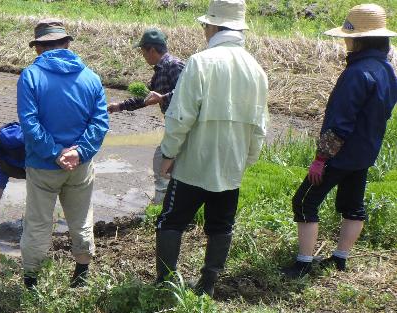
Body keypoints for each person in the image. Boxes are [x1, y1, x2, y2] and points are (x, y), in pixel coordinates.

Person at [154, 0, 268, 297]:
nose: (204, 30)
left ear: (215, 26)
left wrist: (168, 154)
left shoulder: (200, 62)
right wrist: (247, 159)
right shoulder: (256, 69)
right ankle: (207, 284)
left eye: (206, 25)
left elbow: (180, 117)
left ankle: (166, 282)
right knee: (221, 225)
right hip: (231, 166)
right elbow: (260, 125)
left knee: (171, 220)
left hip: (195, 164)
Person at [283, 4, 397, 278]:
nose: (345, 41)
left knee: (304, 202)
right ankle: (340, 257)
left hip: (341, 153)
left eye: (349, 36)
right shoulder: (387, 70)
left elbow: (340, 122)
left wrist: (321, 159)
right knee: (352, 204)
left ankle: (303, 263)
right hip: (366, 151)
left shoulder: (356, 73)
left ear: (360, 39)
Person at [17, 18, 109, 289]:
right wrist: (79, 152)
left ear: (38, 48)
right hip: (80, 166)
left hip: (43, 165)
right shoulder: (91, 78)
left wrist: (56, 153)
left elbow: (30, 124)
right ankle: (81, 273)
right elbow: (100, 123)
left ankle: (31, 282)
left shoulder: (31, 77)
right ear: (67, 44)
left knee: (38, 223)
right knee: (80, 217)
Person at [107, 28, 185, 204]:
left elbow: (188, 93)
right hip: (174, 125)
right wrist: (119, 106)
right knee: (168, 166)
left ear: (152, 50)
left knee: (162, 163)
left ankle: (161, 206)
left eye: (143, 52)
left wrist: (163, 97)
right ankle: (168, 203)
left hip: (182, 126)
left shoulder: (174, 65)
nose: (143, 57)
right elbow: (147, 99)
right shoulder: (160, 69)